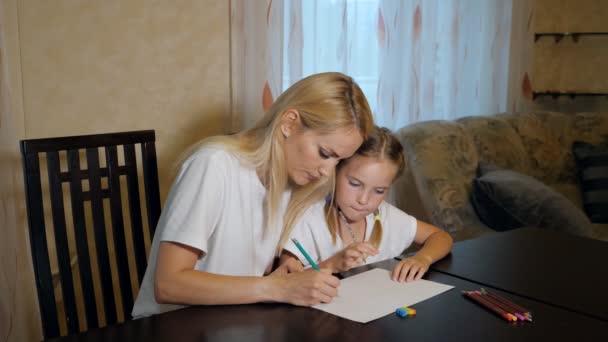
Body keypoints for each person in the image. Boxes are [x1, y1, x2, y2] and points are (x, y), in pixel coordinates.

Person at [132, 72, 375, 317]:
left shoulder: (292, 183)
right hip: (173, 327)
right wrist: (275, 287)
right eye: (324, 153)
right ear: (289, 123)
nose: (327, 172)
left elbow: (245, 274)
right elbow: (169, 285)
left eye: (338, 161)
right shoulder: (213, 165)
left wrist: (283, 274)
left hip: (232, 323)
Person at [280, 127, 453, 282]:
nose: (364, 200)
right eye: (355, 184)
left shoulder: (384, 215)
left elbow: (441, 237)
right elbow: (287, 280)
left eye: (379, 191)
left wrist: (423, 258)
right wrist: (332, 265)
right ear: (335, 170)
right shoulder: (309, 217)